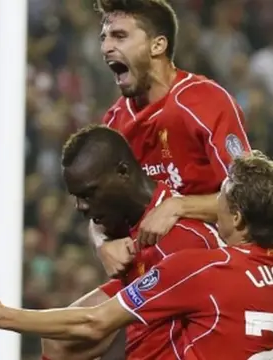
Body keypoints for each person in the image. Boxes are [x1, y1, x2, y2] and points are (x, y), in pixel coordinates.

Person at [0, 151, 273, 360]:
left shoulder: (201, 269)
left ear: (239, 216)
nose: (215, 203)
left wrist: (1, 315)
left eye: (222, 195)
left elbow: (93, 323)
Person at [25, 125, 227, 359]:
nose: (81, 207)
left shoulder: (182, 238)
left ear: (123, 172)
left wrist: (0, 316)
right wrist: (101, 244)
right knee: (59, 341)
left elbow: (99, 326)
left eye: (89, 194)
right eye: (76, 197)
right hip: (148, 303)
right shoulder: (126, 218)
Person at [90, 0, 252, 276]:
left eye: (120, 36)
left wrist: (179, 206)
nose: (106, 47)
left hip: (222, 270)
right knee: (83, 315)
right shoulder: (114, 123)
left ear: (157, 45)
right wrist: (104, 243)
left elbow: (250, 196)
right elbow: (100, 208)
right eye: (104, 38)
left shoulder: (204, 101)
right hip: (155, 276)